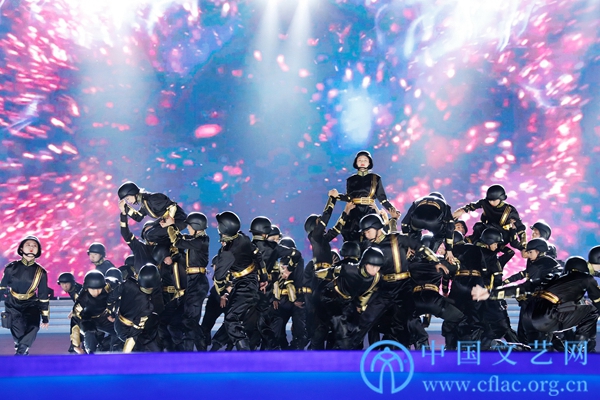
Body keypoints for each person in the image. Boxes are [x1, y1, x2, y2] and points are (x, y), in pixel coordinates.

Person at [472, 256, 600, 352]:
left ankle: (505, 347)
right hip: (547, 315)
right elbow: (597, 302)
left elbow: (518, 289)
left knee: (537, 351)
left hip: (530, 314)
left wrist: (489, 294)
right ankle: (580, 350)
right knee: (592, 311)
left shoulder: (550, 281)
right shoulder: (585, 278)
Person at [212, 211, 267, 350]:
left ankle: (244, 349)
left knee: (231, 318)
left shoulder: (228, 252)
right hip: (249, 281)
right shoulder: (243, 238)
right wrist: (263, 278)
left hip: (244, 285)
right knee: (234, 316)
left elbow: (218, 277)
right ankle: (218, 344)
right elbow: (257, 256)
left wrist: (223, 292)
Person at [166, 212, 210, 351]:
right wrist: (172, 226)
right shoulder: (196, 240)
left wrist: (171, 225)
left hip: (198, 283)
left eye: (189, 226)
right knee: (188, 319)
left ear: (196, 226)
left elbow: (178, 242)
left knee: (189, 319)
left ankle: (202, 345)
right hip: (193, 281)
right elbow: (181, 238)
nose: (188, 228)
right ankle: (190, 351)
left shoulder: (201, 241)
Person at [0, 236, 50, 355]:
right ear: (21, 248)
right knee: (19, 334)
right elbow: (2, 287)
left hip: (31, 303)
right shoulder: (11, 268)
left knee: (34, 327)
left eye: (35, 245)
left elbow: (43, 295)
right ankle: (22, 352)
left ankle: (20, 352)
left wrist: (45, 317)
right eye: (28, 245)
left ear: (38, 250)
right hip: (13, 304)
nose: (31, 247)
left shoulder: (41, 272)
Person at [335, 150, 398, 242]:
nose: (362, 162)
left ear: (369, 163)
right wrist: (337, 196)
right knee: (352, 235)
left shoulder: (375, 178)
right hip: (354, 210)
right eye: (360, 160)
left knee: (372, 234)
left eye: (365, 160)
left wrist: (392, 209)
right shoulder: (350, 180)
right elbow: (349, 197)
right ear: (356, 163)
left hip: (369, 210)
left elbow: (382, 198)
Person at [453, 184, 527, 254]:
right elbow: (473, 206)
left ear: (501, 198)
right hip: (487, 229)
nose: (491, 202)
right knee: (478, 226)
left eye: (494, 200)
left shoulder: (509, 210)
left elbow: (520, 228)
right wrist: (462, 210)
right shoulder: (485, 203)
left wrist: (523, 243)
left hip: (502, 234)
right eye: (490, 200)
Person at [118, 181, 187, 246]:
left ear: (133, 193)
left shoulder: (152, 199)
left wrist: (170, 220)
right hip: (167, 220)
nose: (128, 201)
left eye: (128, 198)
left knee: (150, 235)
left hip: (179, 220)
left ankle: (176, 244)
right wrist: (125, 208)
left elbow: (172, 206)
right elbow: (138, 217)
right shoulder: (145, 203)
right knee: (145, 234)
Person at [401, 192, 456, 263]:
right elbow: (450, 227)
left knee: (413, 232)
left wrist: (408, 244)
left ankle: (412, 254)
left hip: (417, 221)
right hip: (434, 222)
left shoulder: (418, 201)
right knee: (440, 235)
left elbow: (404, 223)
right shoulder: (444, 204)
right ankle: (431, 258)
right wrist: (449, 250)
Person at [72, 270, 118, 354]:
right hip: (89, 320)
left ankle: (114, 353)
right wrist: (75, 345)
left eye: (99, 289)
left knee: (119, 332)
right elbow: (75, 318)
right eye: (93, 289)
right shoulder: (83, 297)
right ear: (87, 288)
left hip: (105, 317)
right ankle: (90, 355)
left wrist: (113, 314)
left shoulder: (110, 286)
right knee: (90, 333)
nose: (96, 292)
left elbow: (121, 300)